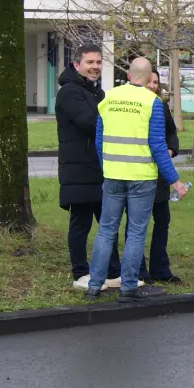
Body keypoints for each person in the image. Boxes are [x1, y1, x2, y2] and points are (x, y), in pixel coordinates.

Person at [87, 57, 188, 301]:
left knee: (106, 230)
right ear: (147, 77)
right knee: (135, 231)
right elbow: (157, 145)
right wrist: (174, 180)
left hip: (113, 175)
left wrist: (107, 166)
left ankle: (94, 285)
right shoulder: (151, 102)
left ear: (130, 75)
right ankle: (129, 287)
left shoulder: (108, 98)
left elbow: (99, 141)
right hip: (141, 177)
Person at [55, 43, 120, 291]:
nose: (95, 67)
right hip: (78, 168)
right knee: (80, 222)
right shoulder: (69, 92)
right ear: (77, 64)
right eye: (90, 62)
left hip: (99, 168)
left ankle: (113, 272)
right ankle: (80, 273)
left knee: (107, 221)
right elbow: (88, 121)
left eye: (98, 62)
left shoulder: (97, 92)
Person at [138, 69, 182, 284]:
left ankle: (160, 268)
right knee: (138, 225)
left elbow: (171, 134)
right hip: (141, 174)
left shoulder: (161, 106)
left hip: (160, 174)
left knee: (162, 220)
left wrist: (171, 150)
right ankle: (139, 270)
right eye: (149, 81)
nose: (153, 85)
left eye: (156, 82)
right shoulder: (136, 107)